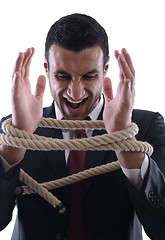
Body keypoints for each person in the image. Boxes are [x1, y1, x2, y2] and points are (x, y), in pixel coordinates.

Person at [0, 13, 165, 240]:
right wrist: (15, 144)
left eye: (89, 76)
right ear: (47, 70)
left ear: (105, 69)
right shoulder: (15, 129)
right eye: (62, 76)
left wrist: (125, 142)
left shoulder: (145, 128)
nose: (75, 93)